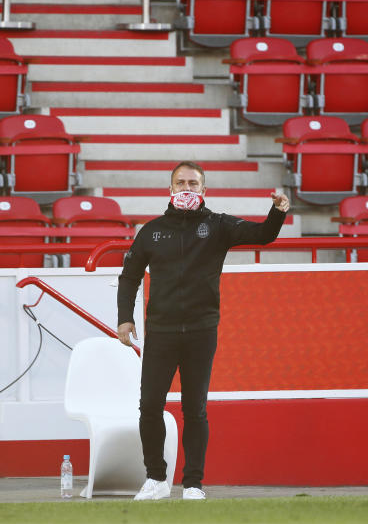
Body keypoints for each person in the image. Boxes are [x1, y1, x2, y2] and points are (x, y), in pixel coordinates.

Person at [116, 162, 289, 500]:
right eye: (180, 183)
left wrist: (277, 212)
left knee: (195, 409)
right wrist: (125, 318)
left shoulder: (219, 225)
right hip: (161, 331)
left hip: (201, 330)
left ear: (204, 190)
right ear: (170, 189)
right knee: (150, 405)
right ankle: (156, 480)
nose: (187, 189)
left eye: (193, 183)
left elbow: (263, 234)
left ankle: (193, 484)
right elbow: (129, 276)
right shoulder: (151, 231)